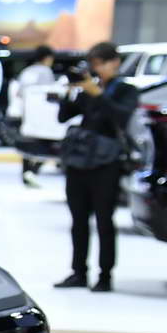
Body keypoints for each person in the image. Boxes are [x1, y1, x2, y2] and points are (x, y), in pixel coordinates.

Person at [53, 41, 136, 292]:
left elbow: (121, 117)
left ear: (115, 62)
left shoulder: (126, 90)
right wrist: (71, 92)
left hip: (106, 163)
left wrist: (98, 94)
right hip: (80, 161)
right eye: (94, 65)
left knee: (104, 221)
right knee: (78, 220)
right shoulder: (88, 89)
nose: (97, 69)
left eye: (101, 64)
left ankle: (105, 275)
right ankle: (78, 272)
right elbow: (64, 116)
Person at [7, 46, 70, 187]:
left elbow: (19, 93)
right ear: (48, 58)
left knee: (28, 145)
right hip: (41, 117)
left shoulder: (27, 71)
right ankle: (33, 171)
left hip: (25, 115)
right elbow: (49, 93)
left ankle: (27, 173)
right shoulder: (45, 71)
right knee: (46, 144)